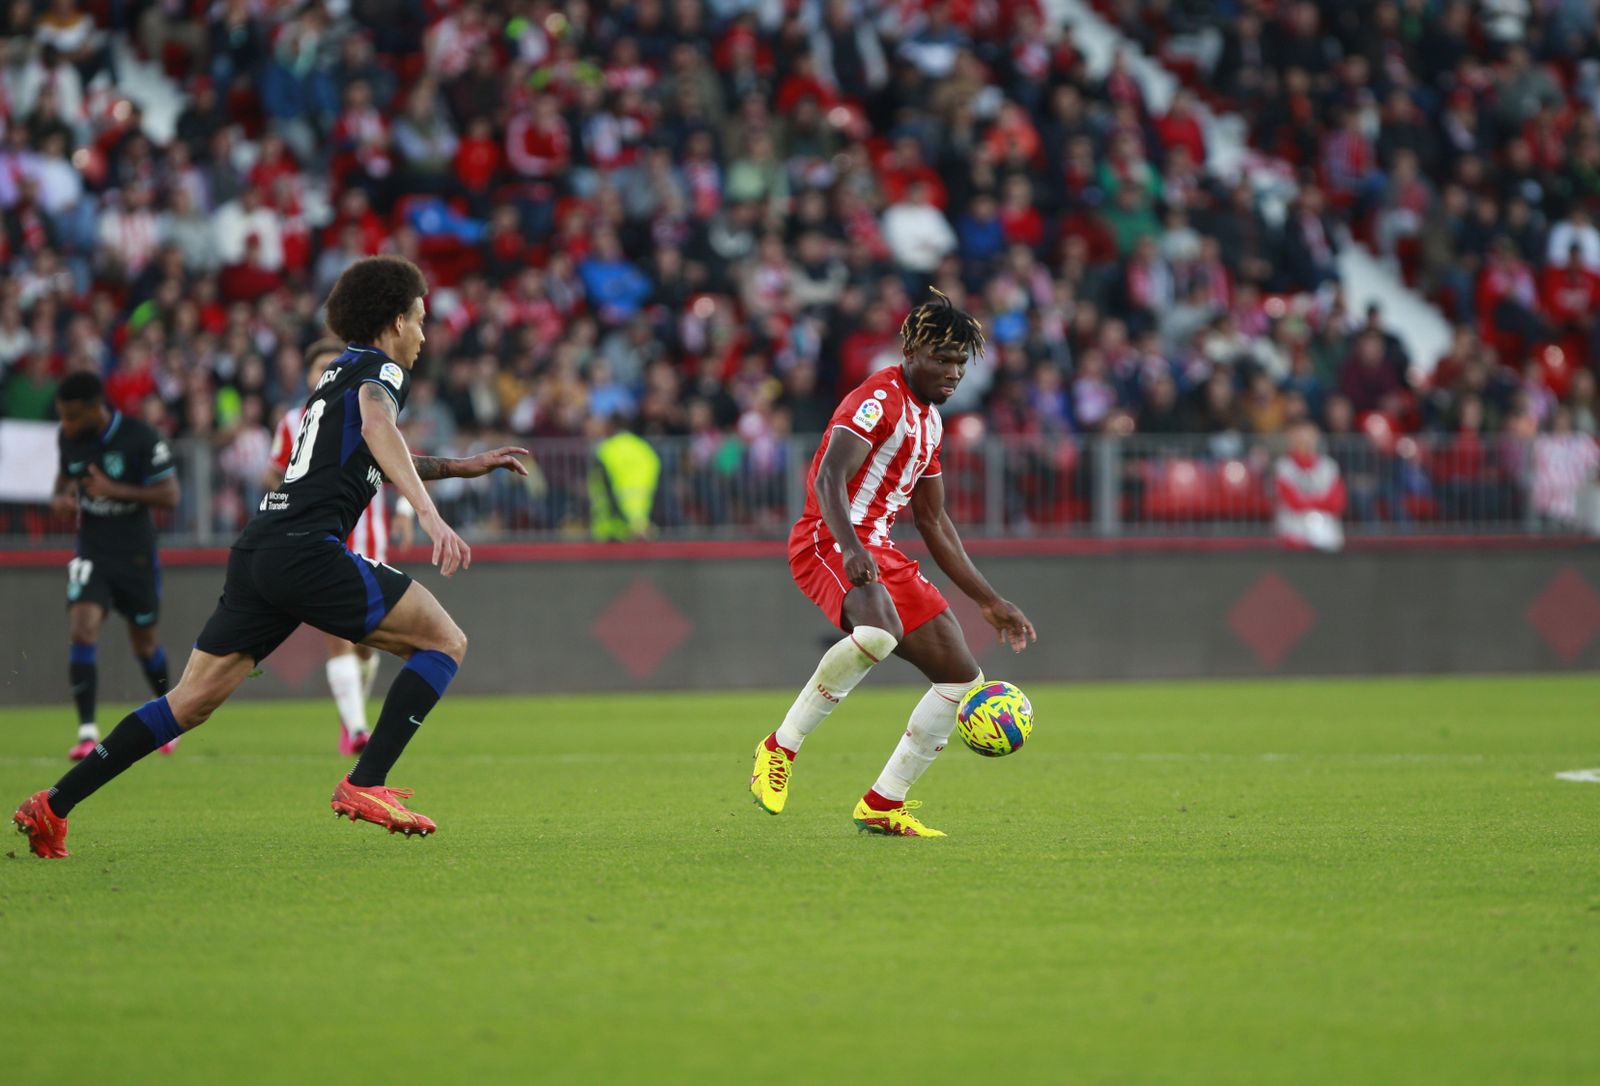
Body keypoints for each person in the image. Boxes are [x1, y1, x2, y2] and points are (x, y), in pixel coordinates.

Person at [14, 257, 530, 859]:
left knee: (188, 702)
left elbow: (368, 447)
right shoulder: (384, 371)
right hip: (308, 550)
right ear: (394, 321)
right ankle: (365, 783)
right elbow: (376, 424)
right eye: (419, 320)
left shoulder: (337, 372)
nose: (423, 334)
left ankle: (52, 805)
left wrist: (463, 465)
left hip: (261, 548)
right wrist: (430, 514)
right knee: (445, 642)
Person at [750, 290, 1036, 837]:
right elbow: (829, 478)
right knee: (879, 634)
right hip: (827, 539)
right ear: (912, 349)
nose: (953, 373)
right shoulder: (876, 400)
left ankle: (884, 803)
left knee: (961, 681)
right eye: (943, 360)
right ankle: (779, 748)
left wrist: (988, 599)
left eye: (960, 363)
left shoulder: (930, 422)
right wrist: (852, 546)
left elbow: (934, 522)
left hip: (877, 550)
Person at [263, 337, 416, 755]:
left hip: (369, 535)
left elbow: (401, 461)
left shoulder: (368, 411)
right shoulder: (293, 421)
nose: (324, 374)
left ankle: (354, 714)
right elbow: (273, 474)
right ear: (312, 376)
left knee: (366, 642)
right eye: (317, 368)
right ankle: (357, 728)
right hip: (317, 540)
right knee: (336, 634)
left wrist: (405, 509)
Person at [47, 374, 180, 762]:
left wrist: (115, 489)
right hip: (92, 551)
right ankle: (87, 733)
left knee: (145, 643)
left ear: (94, 409)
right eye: (63, 418)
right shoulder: (68, 438)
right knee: (82, 628)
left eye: (72, 417)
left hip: (136, 556)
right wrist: (59, 498)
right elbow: (63, 481)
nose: (66, 425)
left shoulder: (140, 437)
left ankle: (169, 716)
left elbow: (171, 494)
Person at [1274, 418, 1347, 552]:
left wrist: (1310, 503)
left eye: (1308, 434)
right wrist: (1318, 502)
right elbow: (1293, 502)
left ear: (1316, 436)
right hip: (1294, 529)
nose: (1304, 439)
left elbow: (1337, 502)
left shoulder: (1329, 466)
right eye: (1298, 435)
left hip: (1326, 530)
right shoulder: (1283, 467)